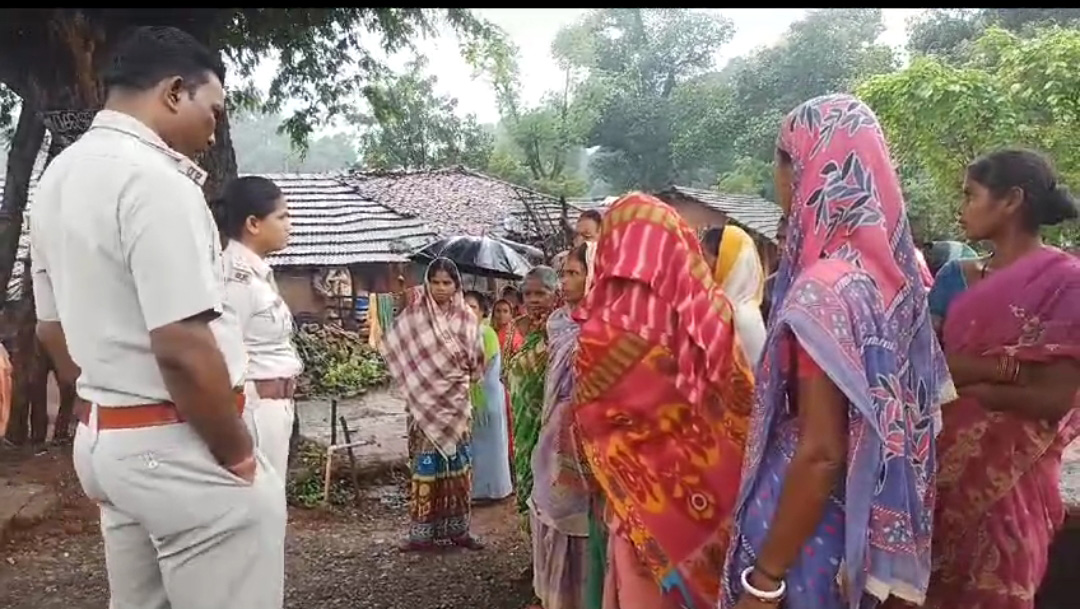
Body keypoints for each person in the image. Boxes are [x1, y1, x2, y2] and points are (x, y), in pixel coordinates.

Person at [30, 26, 286, 609]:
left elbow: (51, 328)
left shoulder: (57, 180)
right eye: (213, 110)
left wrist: (108, 400)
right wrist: (239, 456)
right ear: (174, 92)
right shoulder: (156, 181)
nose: (214, 130)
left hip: (109, 444)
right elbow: (182, 344)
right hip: (179, 446)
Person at [721, 94, 954, 609]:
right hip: (866, 522)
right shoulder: (894, 279)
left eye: (780, 161)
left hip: (812, 526)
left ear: (801, 168)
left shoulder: (823, 290)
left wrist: (765, 580)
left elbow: (823, 451)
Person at [572, 192, 756, 609]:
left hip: (640, 516)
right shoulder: (713, 315)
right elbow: (743, 406)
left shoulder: (599, 334)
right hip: (720, 505)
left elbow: (589, 427)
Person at [923, 149, 1080, 609]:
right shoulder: (954, 278)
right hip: (938, 474)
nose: (962, 208)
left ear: (1011, 200)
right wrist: (1006, 372)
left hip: (1014, 487)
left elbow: (1055, 398)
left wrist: (973, 384)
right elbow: (927, 368)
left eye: (971, 195)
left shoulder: (1066, 283)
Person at [382, 257, 485, 551]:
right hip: (423, 405)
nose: (441, 288)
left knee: (458, 467)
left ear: (456, 285)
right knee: (425, 466)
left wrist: (456, 378)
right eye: (435, 282)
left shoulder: (467, 319)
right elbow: (395, 348)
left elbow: (477, 361)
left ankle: (459, 530)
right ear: (427, 283)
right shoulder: (413, 317)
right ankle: (421, 533)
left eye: (447, 283)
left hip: (455, 404)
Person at [211, 176, 302, 479]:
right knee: (260, 493)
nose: (289, 225)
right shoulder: (236, 278)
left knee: (271, 491)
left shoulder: (257, 274)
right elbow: (224, 355)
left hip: (273, 405)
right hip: (254, 408)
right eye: (282, 217)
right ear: (253, 223)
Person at [529, 242, 597, 609]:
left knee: (581, 516)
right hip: (555, 430)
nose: (565, 281)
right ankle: (556, 596)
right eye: (564, 273)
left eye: (574, 273)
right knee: (551, 507)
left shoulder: (603, 325)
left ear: (594, 275)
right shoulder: (558, 323)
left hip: (585, 435)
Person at [505, 266, 560, 519]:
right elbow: (506, 372)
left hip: (551, 423)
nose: (533, 300)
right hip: (522, 423)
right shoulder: (515, 328)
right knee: (528, 478)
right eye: (528, 294)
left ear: (556, 293)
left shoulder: (561, 330)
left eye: (541, 293)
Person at [462, 290, 513, 503]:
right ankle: (478, 491)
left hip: (487, 398)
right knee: (475, 446)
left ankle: (493, 491)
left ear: (483, 312)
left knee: (490, 446)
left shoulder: (486, 334)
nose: (466, 310)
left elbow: (477, 370)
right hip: (472, 397)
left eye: (472, 307)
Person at [702, 224, 767, 364]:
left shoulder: (743, 317)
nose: (702, 265)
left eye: (705, 257)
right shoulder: (722, 305)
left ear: (724, 262)